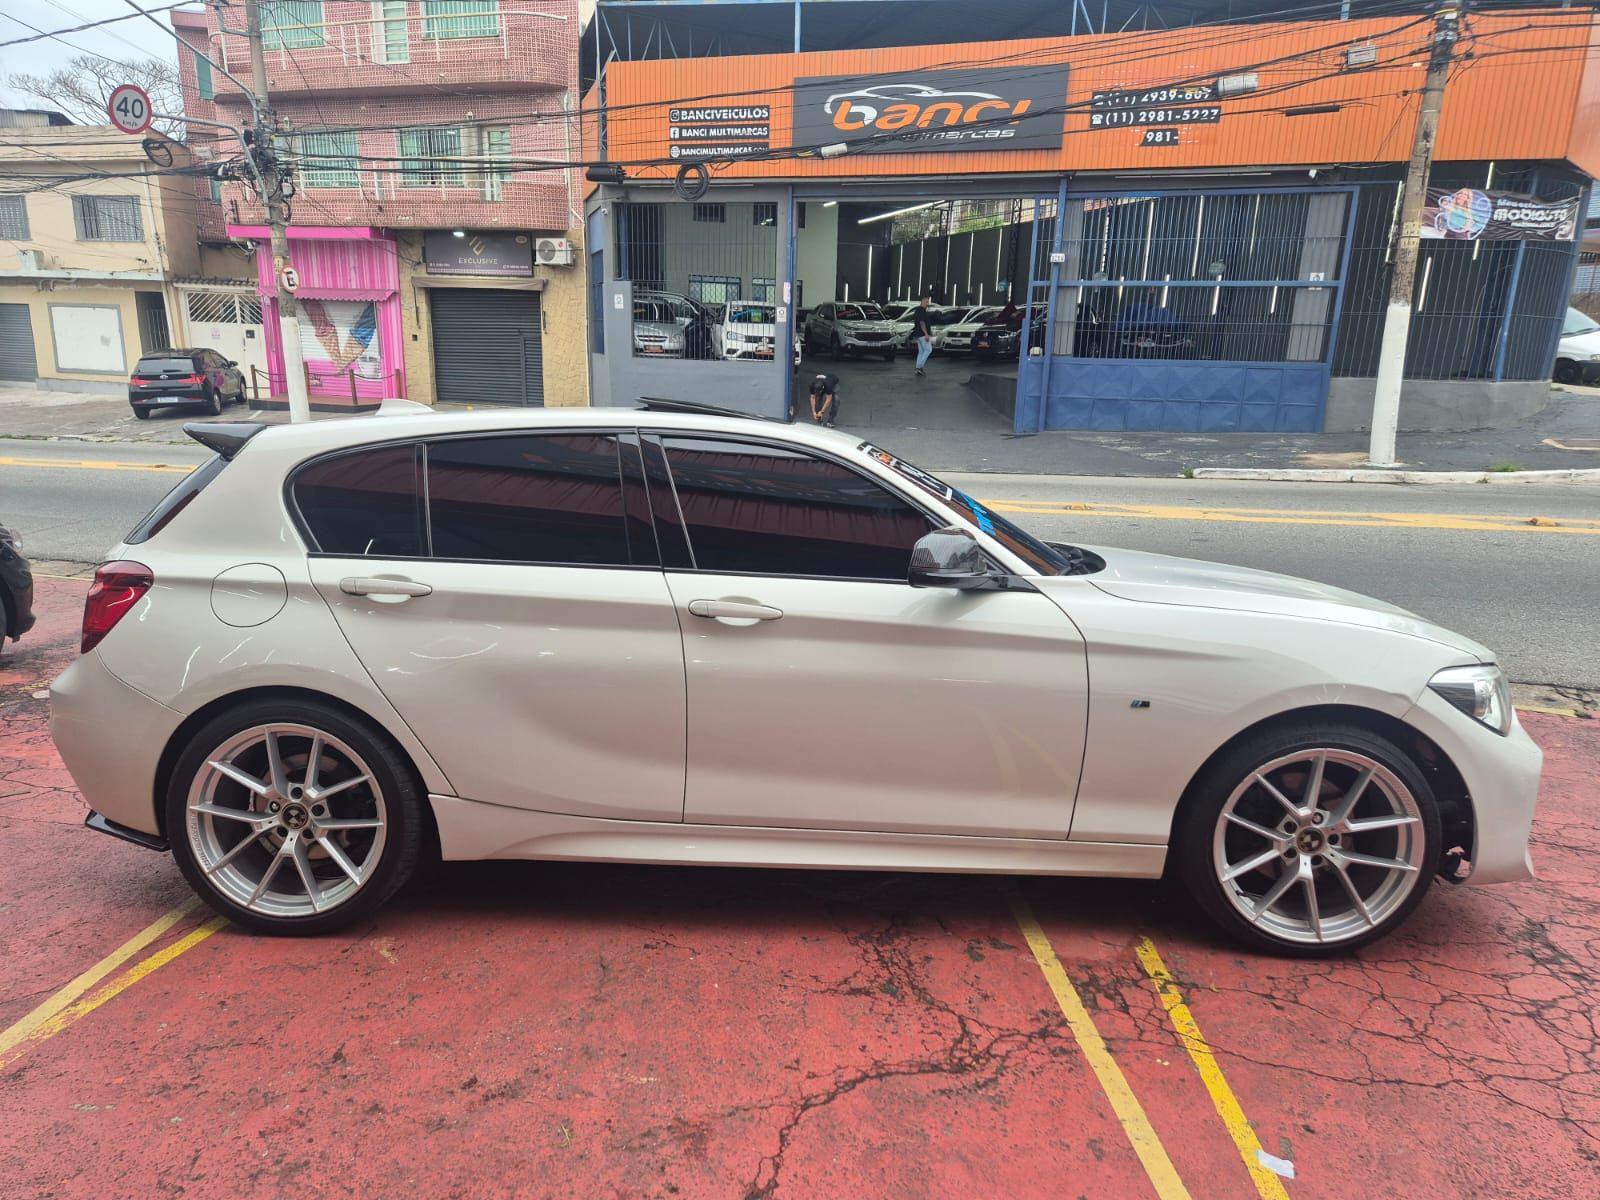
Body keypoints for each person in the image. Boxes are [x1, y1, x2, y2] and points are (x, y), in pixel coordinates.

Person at [911, 296, 935, 377]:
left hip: (918, 334)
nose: (927, 304)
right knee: (928, 349)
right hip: (922, 334)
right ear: (922, 302)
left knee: (921, 352)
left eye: (928, 302)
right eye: (926, 302)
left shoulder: (918, 310)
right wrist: (926, 334)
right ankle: (919, 368)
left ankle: (918, 368)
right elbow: (922, 323)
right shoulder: (921, 310)